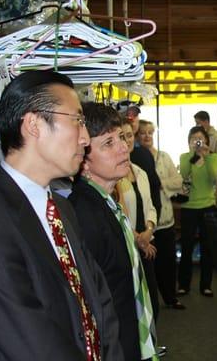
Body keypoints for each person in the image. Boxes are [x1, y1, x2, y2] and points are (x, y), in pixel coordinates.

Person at [0, 71, 124, 360]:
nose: (85, 138)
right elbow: (33, 343)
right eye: (77, 121)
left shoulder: (61, 208)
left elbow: (100, 304)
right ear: (33, 124)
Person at [69, 103, 159, 361]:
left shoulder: (107, 204)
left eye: (121, 137)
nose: (123, 147)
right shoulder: (84, 214)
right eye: (108, 143)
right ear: (83, 159)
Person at [115, 118, 162, 323]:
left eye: (129, 136)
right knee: (135, 306)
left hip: (146, 241)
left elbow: (150, 206)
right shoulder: (115, 174)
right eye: (121, 137)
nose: (126, 141)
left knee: (152, 301)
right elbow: (117, 211)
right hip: (130, 243)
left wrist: (149, 230)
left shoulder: (140, 172)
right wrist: (138, 239)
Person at [137, 119, 186, 310]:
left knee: (168, 261)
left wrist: (160, 184)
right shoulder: (136, 158)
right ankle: (151, 301)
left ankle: (171, 297)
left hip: (166, 218)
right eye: (143, 133)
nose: (147, 136)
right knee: (150, 263)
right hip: (147, 222)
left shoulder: (164, 157)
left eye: (150, 132)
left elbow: (178, 181)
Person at [177, 126, 217, 297]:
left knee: (207, 248)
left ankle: (206, 285)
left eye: (200, 139)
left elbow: (214, 178)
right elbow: (185, 174)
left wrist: (206, 156)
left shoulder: (214, 157)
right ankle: (184, 285)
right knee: (186, 248)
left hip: (208, 206)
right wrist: (195, 156)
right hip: (189, 208)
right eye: (194, 139)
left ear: (206, 141)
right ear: (189, 142)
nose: (197, 142)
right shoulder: (185, 157)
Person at [126, 105, 163, 220]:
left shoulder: (145, 154)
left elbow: (154, 191)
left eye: (135, 116)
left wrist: (151, 225)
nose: (133, 120)